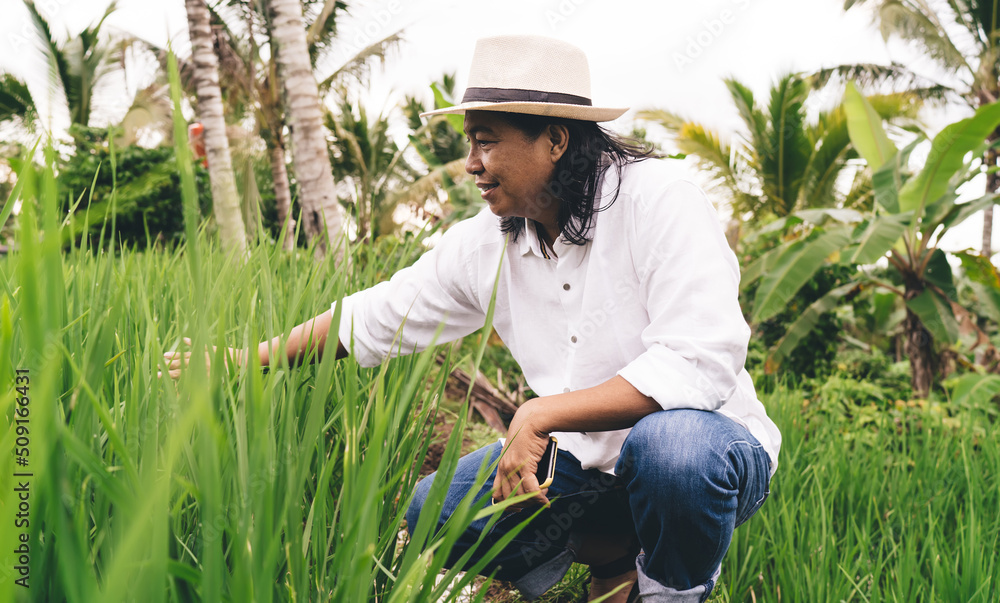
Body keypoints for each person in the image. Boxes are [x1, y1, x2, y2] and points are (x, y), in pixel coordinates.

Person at [164, 35, 780, 603]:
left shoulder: (660, 199)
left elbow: (698, 363)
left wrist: (541, 412)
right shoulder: (487, 241)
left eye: (486, 141)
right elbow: (377, 315)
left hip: (708, 450)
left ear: (555, 140)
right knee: (435, 514)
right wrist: (248, 360)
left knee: (671, 451)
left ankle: (671, 590)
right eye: (469, 143)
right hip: (583, 463)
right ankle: (615, 556)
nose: (470, 163)